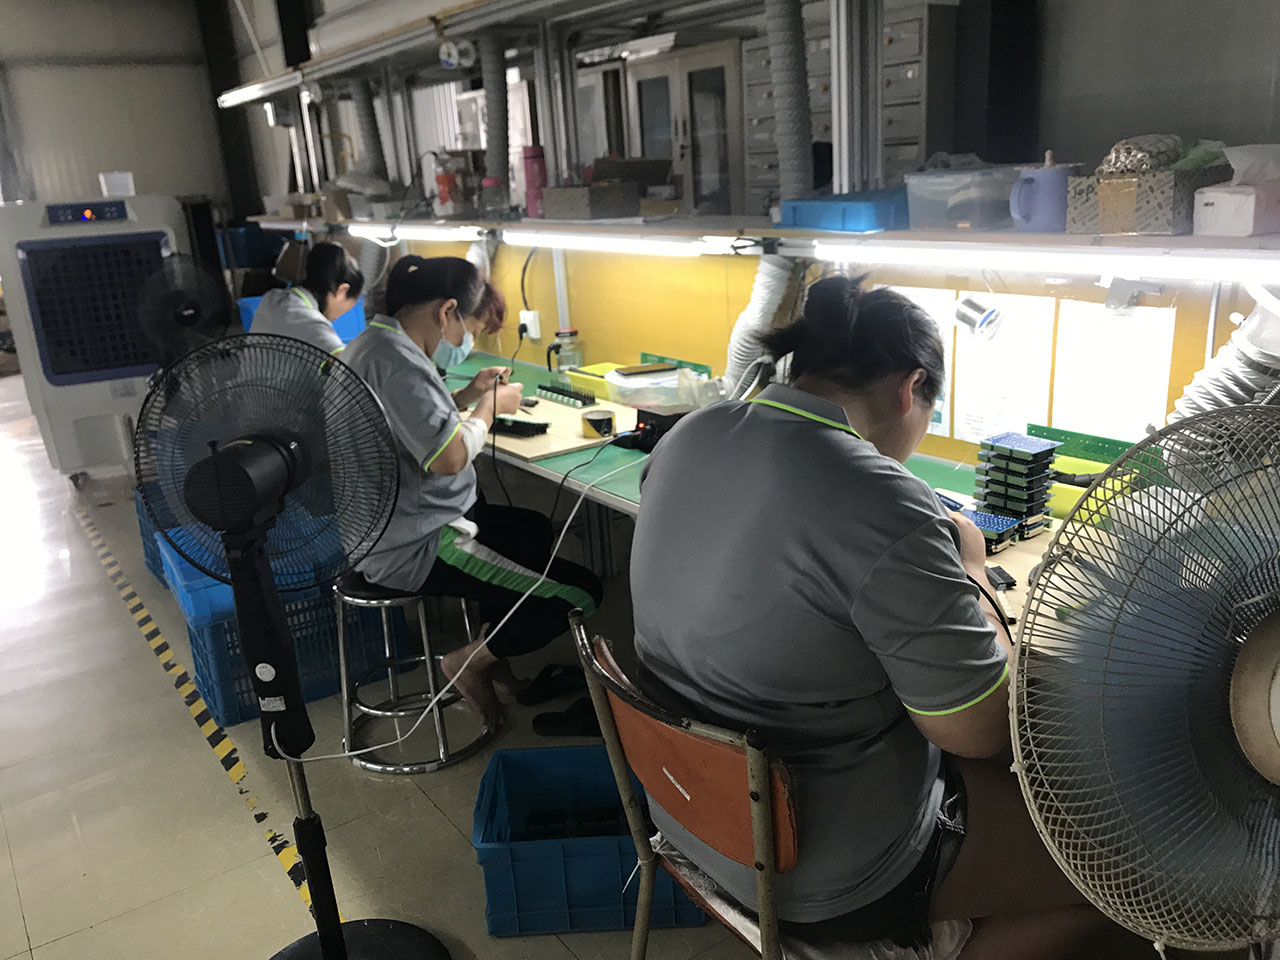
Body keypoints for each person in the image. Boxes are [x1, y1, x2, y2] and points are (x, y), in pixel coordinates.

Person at [628, 276, 1146, 960]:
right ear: (911, 388)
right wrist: (967, 570)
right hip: (816, 866)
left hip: (688, 811)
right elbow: (980, 730)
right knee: (1122, 872)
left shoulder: (693, 433)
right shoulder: (883, 498)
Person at [342, 255, 603, 727]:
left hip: (395, 524)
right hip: (420, 541)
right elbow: (448, 458)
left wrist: (466, 397)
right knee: (579, 593)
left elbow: (408, 424)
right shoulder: (396, 363)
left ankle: (496, 658)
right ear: (447, 312)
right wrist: (490, 407)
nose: (466, 342)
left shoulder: (375, 344)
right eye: (470, 329)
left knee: (532, 531)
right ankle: (467, 662)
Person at [250, 241, 363, 354]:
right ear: (342, 290)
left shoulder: (271, 298)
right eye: (346, 310)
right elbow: (344, 360)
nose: (335, 319)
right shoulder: (313, 325)